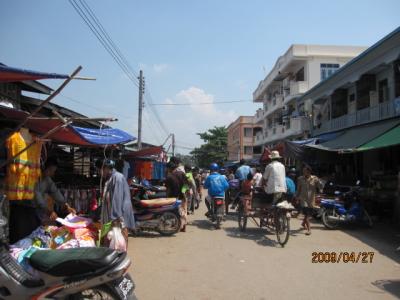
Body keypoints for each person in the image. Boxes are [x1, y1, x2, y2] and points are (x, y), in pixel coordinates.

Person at [96, 159, 136, 243]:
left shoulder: (117, 177)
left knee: (120, 238)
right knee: (114, 241)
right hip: (115, 215)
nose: (99, 172)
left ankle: (121, 255)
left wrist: (115, 217)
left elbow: (117, 199)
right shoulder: (110, 178)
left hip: (120, 214)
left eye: (99, 170)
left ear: (106, 168)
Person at [34, 157, 76, 224]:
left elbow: (55, 192)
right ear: (44, 167)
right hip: (28, 209)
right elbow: (37, 197)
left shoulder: (47, 179)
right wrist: (49, 211)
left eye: (53, 171)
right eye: (50, 170)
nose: (52, 173)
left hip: (40, 210)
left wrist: (66, 205)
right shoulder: (34, 178)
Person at [295, 165, 323, 235]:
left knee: (309, 214)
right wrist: (296, 197)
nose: (304, 172)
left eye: (305, 171)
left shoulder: (314, 179)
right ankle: (309, 230)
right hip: (303, 199)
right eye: (303, 171)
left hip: (311, 200)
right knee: (307, 215)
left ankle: (303, 223)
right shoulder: (300, 179)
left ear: (309, 172)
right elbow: (298, 189)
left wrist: (320, 183)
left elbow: (320, 187)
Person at [165, 161, 188, 232]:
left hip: (173, 197)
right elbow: (186, 184)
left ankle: (176, 226)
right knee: (183, 211)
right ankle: (184, 226)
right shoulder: (182, 173)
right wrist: (184, 193)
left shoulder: (169, 176)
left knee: (175, 212)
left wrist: (167, 197)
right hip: (182, 196)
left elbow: (168, 189)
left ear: (169, 168)